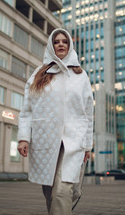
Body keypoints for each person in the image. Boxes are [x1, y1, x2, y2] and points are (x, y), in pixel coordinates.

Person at [17, 28, 94, 215]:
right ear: (51, 46)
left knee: (62, 192)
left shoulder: (80, 75)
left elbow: (89, 112)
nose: (60, 44)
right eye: (57, 41)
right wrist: (23, 138)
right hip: (45, 139)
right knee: (50, 192)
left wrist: (87, 145)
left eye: (64, 41)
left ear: (70, 46)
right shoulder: (39, 75)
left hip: (73, 140)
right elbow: (27, 109)